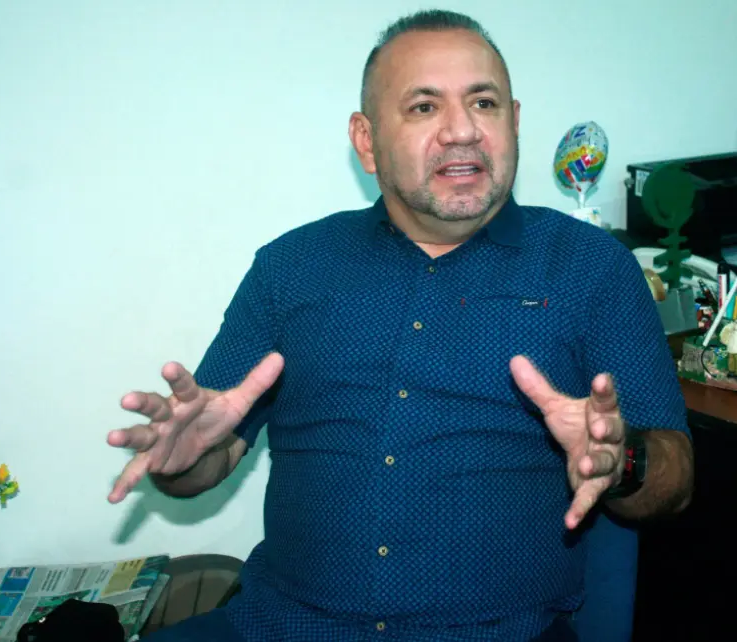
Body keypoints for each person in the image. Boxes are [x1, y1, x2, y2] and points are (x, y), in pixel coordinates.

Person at [107, 10, 694, 641]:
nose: (462, 130)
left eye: (484, 103)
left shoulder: (590, 268)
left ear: (514, 121)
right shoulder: (291, 268)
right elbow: (209, 455)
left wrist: (621, 461)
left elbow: (676, 479)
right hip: (282, 627)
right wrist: (182, 460)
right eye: (424, 107)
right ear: (365, 141)